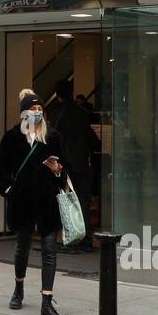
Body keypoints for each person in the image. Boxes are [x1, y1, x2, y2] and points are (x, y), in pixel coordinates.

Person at [0, 89, 67, 315]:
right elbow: (0, 171)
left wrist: (57, 170)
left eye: (40, 110)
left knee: (49, 250)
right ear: (24, 113)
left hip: (46, 200)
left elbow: (65, 168)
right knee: (22, 248)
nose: (37, 113)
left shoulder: (52, 137)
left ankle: (47, 302)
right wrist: (10, 191)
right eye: (33, 110)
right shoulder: (12, 137)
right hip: (22, 200)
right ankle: (19, 287)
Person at [51, 79, 95, 252]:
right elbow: (90, 139)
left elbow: (54, 139)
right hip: (83, 163)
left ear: (57, 94)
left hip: (66, 165)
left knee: (67, 201)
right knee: (83, 201)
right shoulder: (83, 113)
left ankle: (70, 238)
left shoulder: (57, 114)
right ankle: (86, 239)